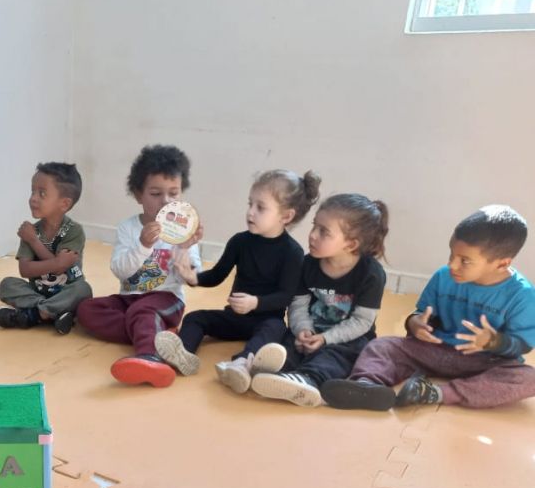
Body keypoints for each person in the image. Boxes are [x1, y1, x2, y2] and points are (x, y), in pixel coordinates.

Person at [322, 205, 535, 410]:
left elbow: (523, 345)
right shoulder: (444, 276)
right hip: (436, 350)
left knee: (528, 378)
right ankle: (366, 385)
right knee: (382, 346)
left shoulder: (523, 295)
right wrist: (415, 324)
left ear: (502, 264)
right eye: (452, 255)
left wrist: (494, 341)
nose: (452, 265)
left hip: (485, 362)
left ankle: (434, 393)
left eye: (465, 261)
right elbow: (423, 315)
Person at [157, 169, 318, 393]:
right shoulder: (239, 241)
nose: (250, 212)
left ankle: (242, 363)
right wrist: (193, 278)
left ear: (286, 216)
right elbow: (217, 275)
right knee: (195, 318)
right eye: (250, 204)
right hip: (234, 317)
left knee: (276, 329)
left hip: (266, 320)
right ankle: (182, 353)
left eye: (260, 207)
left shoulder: (292, 252)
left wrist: (255, 303)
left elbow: (285, 296)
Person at [76, 145, 202, 387]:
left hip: (167, 299)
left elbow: (193, 278)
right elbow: (120, 270)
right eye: (155, 193)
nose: (165, 201)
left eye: (174, 193)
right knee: (86, 309)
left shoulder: (183, 232)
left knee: (142, 312)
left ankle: (150, 357)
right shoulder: (128, 228)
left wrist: (185, 253)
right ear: (138, 195)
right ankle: (160, 336)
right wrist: (143, 245)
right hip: (129, 298)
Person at [248, 194, 389, 407]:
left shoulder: (371, 274)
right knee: (286, 341)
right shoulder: (307, 264)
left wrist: (325, 339)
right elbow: (298, 305)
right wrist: (303, 331)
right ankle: (271, 371)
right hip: (311, 332)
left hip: (346, 338)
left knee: (339, 355)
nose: (312, 235)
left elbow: (362, 322)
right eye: (314, 226)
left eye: (324, 232)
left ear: (351, 244)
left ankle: (308, 380)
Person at [0, 162, 92, 334]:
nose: (33, 198)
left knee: (83, 289)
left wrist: (34, 242)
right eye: (32, 191)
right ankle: (52, 312)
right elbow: (25, 270)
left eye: (42, 193)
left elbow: (61, 269)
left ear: (64, 204)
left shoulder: (74, 231)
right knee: (7, 284)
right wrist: (57, 262)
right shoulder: (30, 231)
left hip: (67, 291)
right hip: (37, 291)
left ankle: (32, 314)